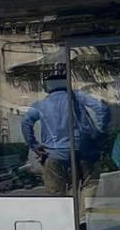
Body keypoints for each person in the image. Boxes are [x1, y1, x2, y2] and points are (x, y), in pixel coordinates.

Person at [21, 66, 111, 195]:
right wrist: (98, 132)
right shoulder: (79, 97)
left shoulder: (41, 104)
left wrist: (34, 145)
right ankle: (84, 213)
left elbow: (25, 122)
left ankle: (65, 213)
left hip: (55, 154)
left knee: (56, 193)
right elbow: (102, 109)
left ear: (47, 86)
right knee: (90, 183)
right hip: (84, 149)